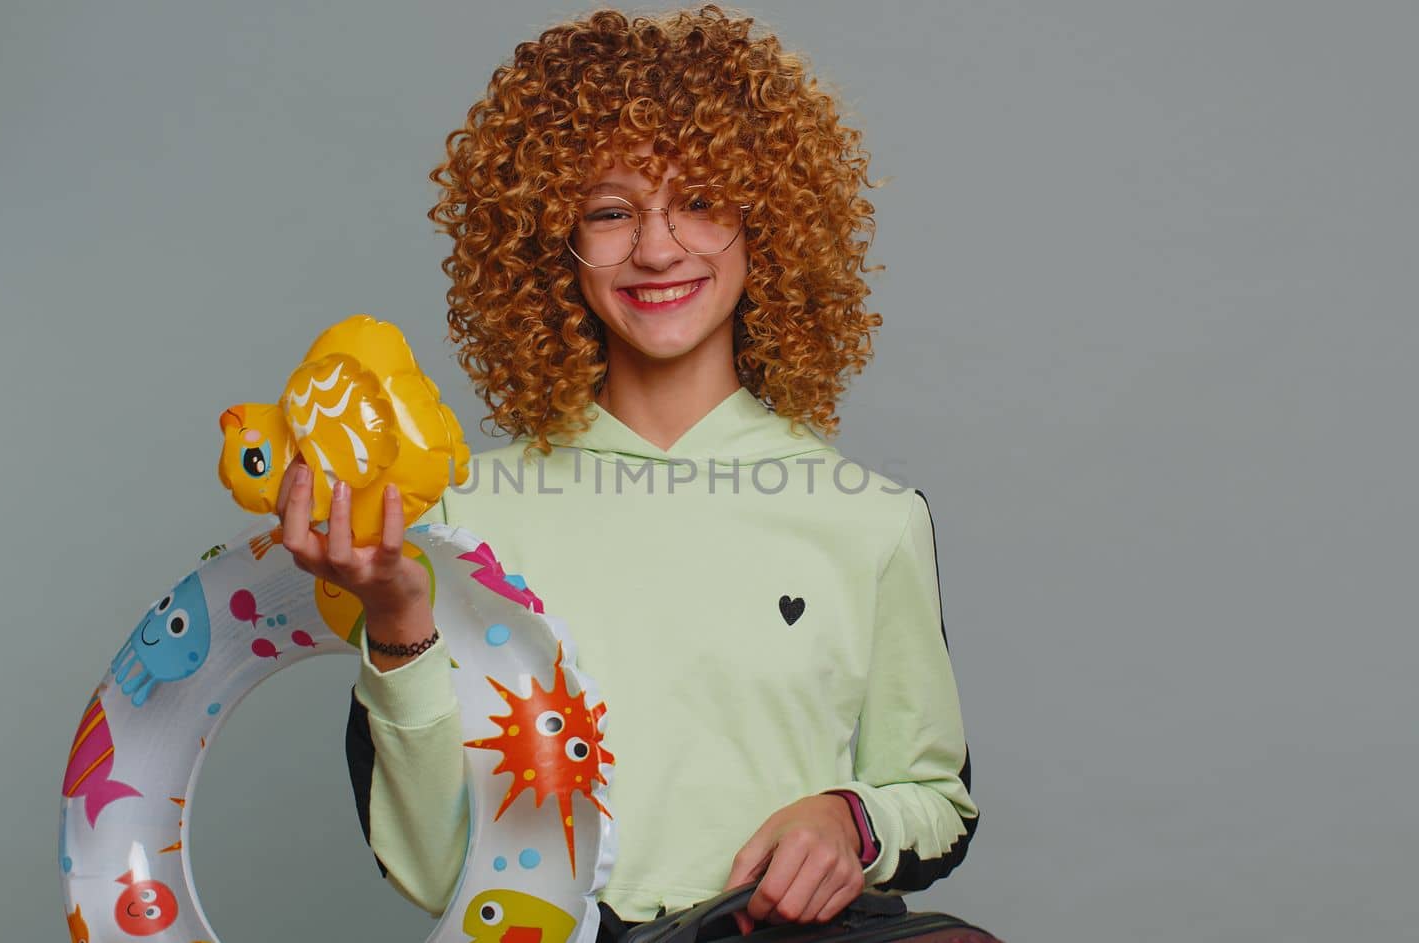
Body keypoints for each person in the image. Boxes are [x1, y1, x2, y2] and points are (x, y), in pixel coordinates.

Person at [275, 6, 979, 940]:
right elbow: (436, 866)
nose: (656, 248)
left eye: (700, 201)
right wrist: (400, 622)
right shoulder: (458, 516)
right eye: (611, 211)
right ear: (549, 243)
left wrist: (851, 818)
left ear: (765, 225)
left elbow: (935, 800)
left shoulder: (871, 520)